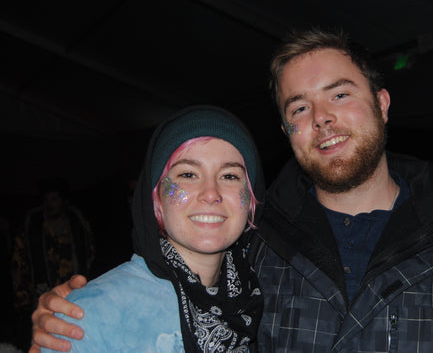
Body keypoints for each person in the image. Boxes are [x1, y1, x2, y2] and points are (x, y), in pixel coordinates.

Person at [30, 29, 433, 352]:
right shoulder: (253, 246)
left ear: (381, 103)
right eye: (300, 108)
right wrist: (76, 317)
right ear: (288, 132)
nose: (322, 118)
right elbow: (163, 292)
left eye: (340, 94)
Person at [38, 105, 264, 352]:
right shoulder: (88, 316)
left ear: (251, 198)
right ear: (156, 197)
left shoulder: (257, 297)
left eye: (230, 176)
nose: (211, 194)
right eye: (188, 174)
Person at [11, 176, 94, 350]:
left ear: (65, 201)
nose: (49, 204)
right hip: (39, 303)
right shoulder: (32, 225)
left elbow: (90, 255)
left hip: (74, 300)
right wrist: (23, 302)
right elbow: (18, 264)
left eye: (54, 199)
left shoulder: (77, 223)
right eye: (46, 199)